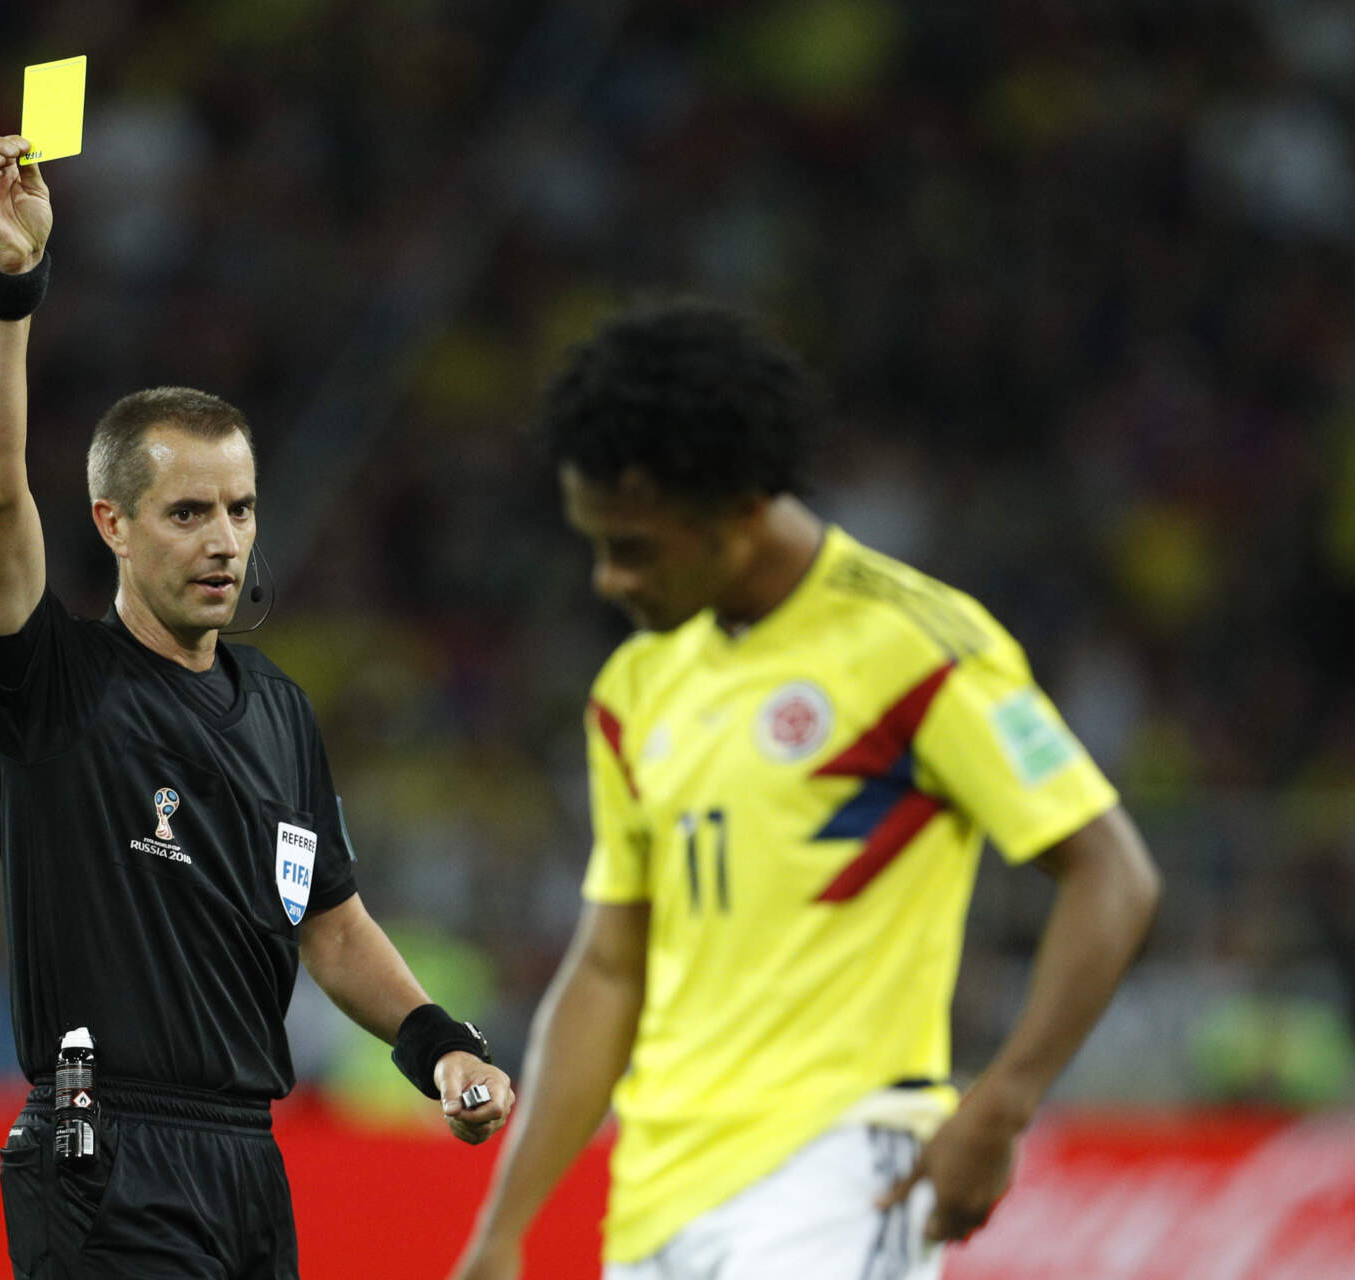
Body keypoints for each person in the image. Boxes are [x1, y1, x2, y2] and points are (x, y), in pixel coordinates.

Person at [450, 301, 1162, 1279]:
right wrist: (504, 1225)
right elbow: (611, 965)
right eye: (597, 541)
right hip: (656, 1200)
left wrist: (1001, 1102)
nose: (608, 577)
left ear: (742, 509)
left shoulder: (913, 643)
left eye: (637, 546)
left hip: (838, 1172)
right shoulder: (635, 689)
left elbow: (1112, 872)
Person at [0, 134, 514, 1280]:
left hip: (247, 1160)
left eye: (242, 509)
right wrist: (11, 288)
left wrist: (441, 1045)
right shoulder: (52, 681)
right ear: (112, 523)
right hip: (102, 1143)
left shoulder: (280, 711)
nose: (224, 538)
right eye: (188, 512)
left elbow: (333, 926)